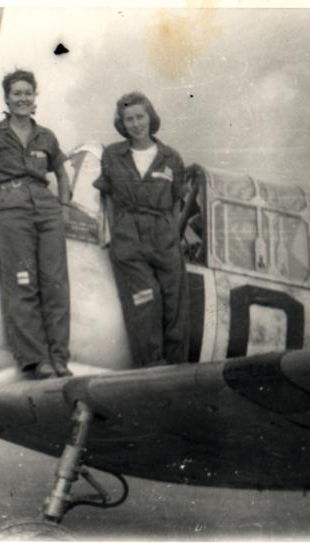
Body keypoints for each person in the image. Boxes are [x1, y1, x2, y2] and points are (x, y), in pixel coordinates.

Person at [0, 69, 73, 380]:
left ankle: (60, 358)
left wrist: (63, 206)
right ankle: (35, 360)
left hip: (46, 209)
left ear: (35, 98)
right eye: (17, 93)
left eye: (28, 93)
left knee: (55, 285)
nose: (23, 98)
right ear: (7, 99)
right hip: (11, 207)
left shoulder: (46, 136)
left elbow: (62, 173)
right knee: (22, 284)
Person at [94, 92, 189, 366]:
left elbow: (176, 202)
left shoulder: (170, 157)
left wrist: (171, 234)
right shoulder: (112, 155)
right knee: (146, 300)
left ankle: (177, 372)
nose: (136, 124)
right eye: (129, 119)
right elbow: (107, 198)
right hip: (128, 236)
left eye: (140, 117)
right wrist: (116, 235)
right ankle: (151, 370)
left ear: (150, 117)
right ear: (122, 123)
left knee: (175, 306)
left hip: (164, 236)